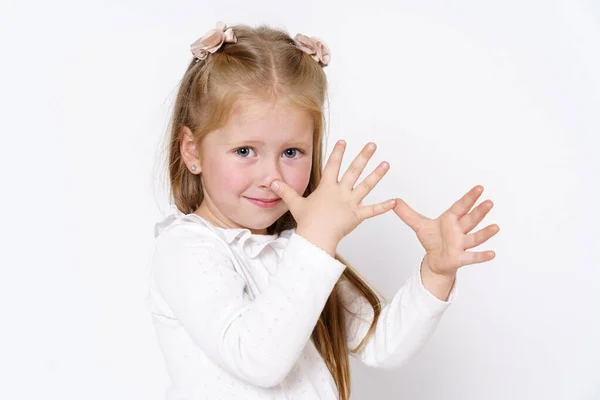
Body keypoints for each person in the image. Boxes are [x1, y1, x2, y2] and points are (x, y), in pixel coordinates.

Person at [144, 21, 500, 400]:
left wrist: (436, 272)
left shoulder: (297, 250)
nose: (271, 176)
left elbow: (382, 344)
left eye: (291, 152)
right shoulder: (186, 249)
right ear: (192, 150)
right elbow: (257, 361)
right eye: (245, 151)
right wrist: (316, 239)